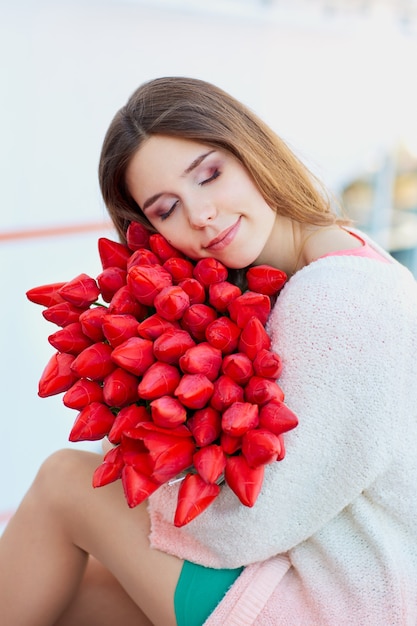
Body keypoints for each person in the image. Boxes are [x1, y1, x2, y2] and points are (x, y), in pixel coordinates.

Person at [1, 76, 416, 626]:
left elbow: (253, 524)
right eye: (167, 208)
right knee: (74, 597)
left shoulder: (337, 299)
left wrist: (146, 462)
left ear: (252, 151)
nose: (200, 215)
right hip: (323, 576)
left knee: (62, 482)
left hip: (338, 604)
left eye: (210, 175)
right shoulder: (336, 255)